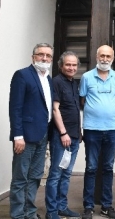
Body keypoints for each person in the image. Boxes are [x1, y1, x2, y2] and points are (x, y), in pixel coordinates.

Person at [9, 43, 55, 219]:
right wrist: (17, 136)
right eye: (40, 54)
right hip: (25, 137)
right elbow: (15, 108)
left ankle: (30, 213)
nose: (44, 58)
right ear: (33, 57)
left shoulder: (48, 79)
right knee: (20, 178)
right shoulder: (22, 75)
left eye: (48, 55)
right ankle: (18, 215)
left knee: (35, 176)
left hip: (42, 135)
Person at [80, 45, 115, 219]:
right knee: (91, 167)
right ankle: (88, 206)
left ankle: (106, 205)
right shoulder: (86, 77)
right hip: (92, 128)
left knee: (108, 167)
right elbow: (82, 100)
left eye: (108, 56)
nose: (105, 59)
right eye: (102, 56)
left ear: (112, 58)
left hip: (112, 128)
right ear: (96, 57)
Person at [45, 51, 82, 219]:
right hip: (62, 136)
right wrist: (63, 132)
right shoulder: (57, 82)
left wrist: (78, 133)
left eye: (74, 65)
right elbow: (55, 109)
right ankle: (52, 211)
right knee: (55, 174)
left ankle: (62, 207)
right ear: (61, 66)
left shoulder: (74, 83)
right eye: (68, 64)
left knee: (66, 174)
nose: (71, 68)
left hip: (74, 136)